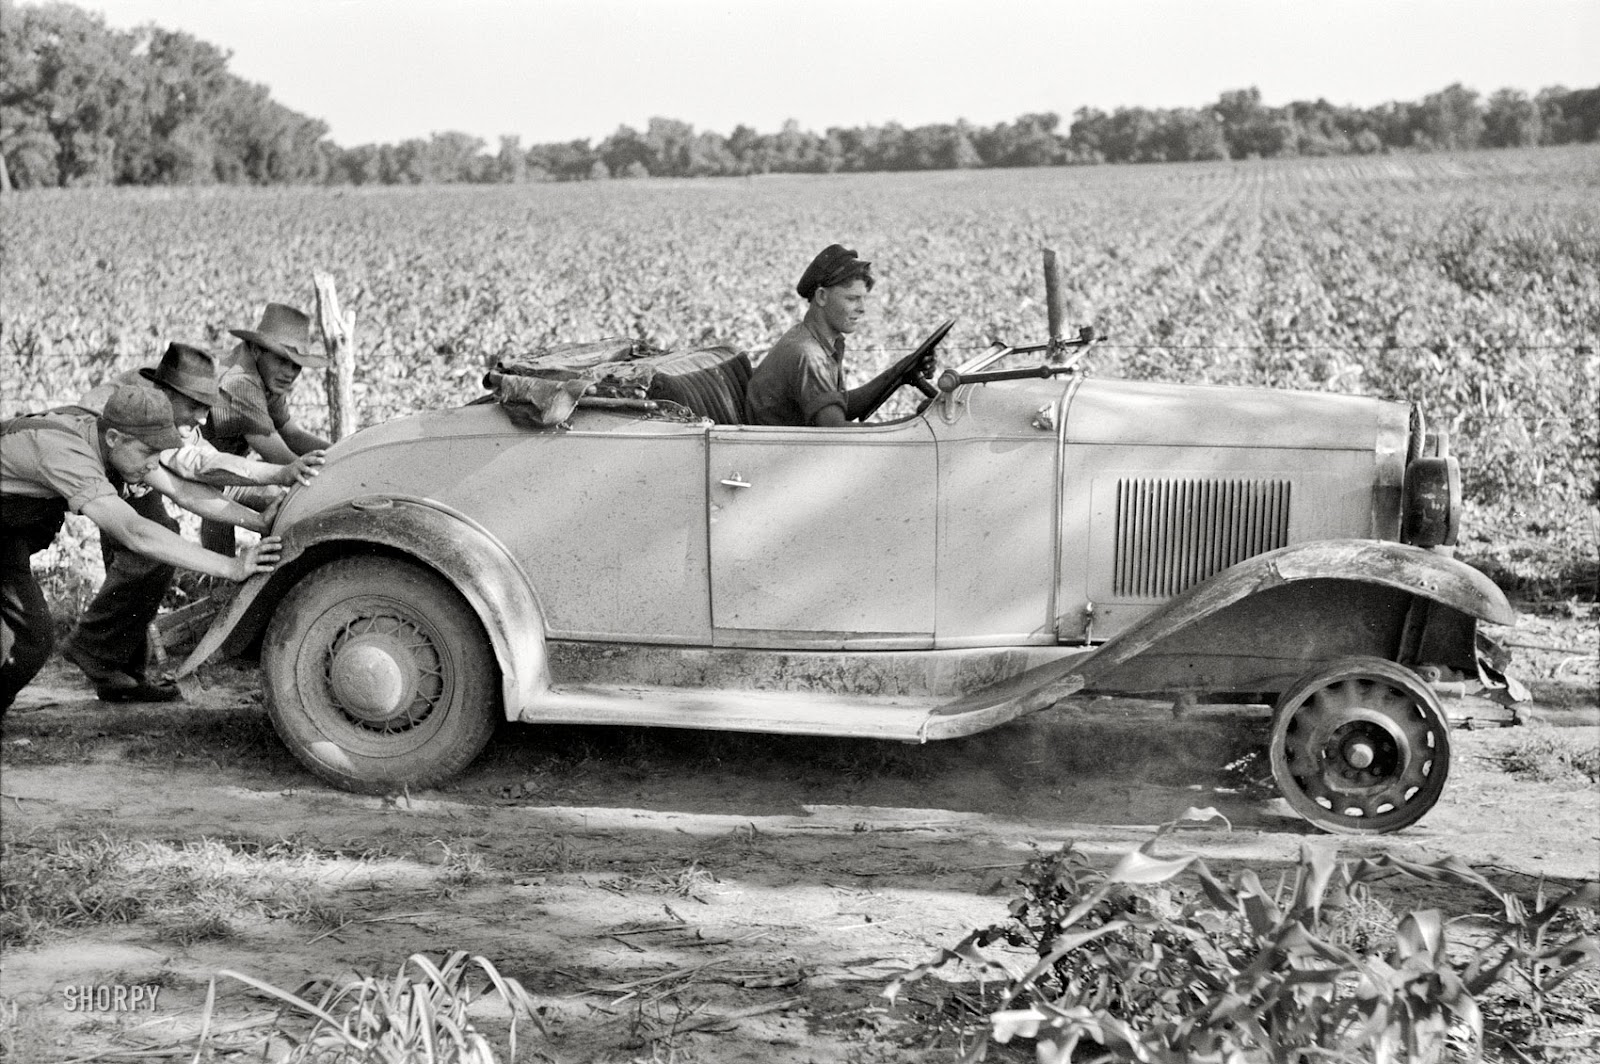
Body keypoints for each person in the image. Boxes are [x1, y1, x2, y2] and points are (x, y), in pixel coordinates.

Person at [57, 342, 324, 700]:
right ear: (168, 393)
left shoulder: (165, 410)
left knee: (150, 549)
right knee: (149, 545)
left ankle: (116, 672)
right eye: (195, 406)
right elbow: (197, 469)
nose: (201, 417)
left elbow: (189, 485)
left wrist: (258, 520)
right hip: (79, 463)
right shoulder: (141, 414)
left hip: (120, 468)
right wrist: (280, 472)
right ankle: (95, 651)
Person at [2, 385, 281, 714]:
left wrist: (258, 522)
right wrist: (231, 567)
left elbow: (181, 490)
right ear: (114, 439)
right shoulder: (67, 453)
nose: (153, 465)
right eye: (148, 452)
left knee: (15, 641)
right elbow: (137, 533)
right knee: (30, 641)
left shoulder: (111, 438)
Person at [746, 244, 935, 427]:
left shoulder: (813, 339)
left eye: (863, 299)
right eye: (852, 299)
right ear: (821, 297)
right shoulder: (808, 354)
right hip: (782, 454)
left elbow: (838, 406)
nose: (862, 309)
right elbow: (837, 432)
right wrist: (916, 424)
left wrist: (899, 373)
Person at [200, 303, 331, 554]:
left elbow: (291, 433)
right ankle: (222, 580)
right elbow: (280, 456)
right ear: (258, 350)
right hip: (158, 454)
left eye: (296, 365)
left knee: (277, 503)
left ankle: (223, 584)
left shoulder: (266, 376)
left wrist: (347, 451)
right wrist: (332, 475)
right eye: (282, 360)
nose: (289, 373)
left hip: (216, 468)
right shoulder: (240, 382)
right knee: (144, 553)